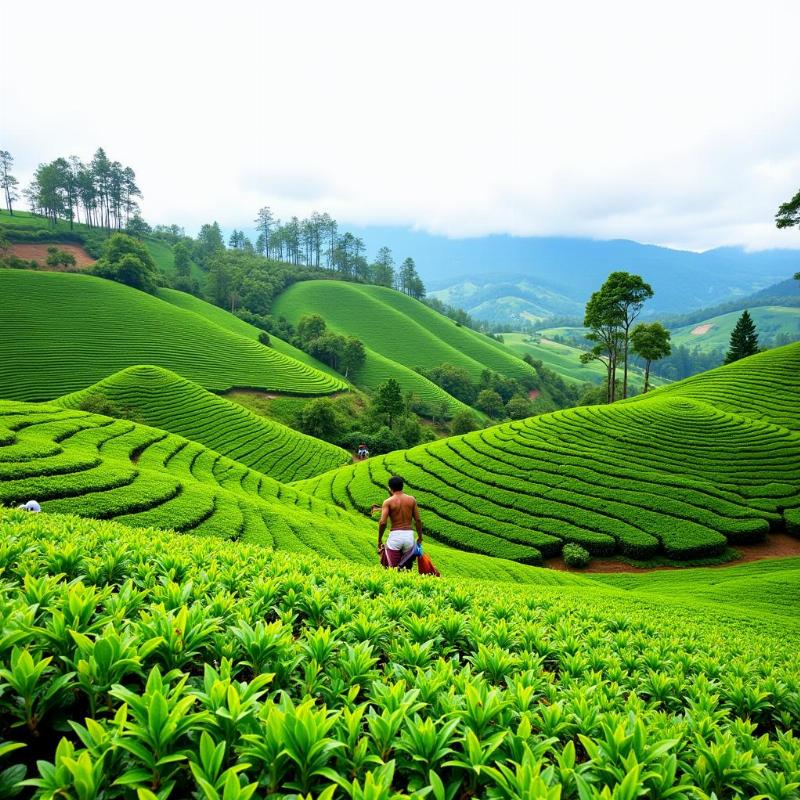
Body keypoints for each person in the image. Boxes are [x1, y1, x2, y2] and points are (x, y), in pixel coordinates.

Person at [377, 475, 423, 569]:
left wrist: (379, 540)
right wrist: (420, 537)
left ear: (390, 488)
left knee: (392, 569)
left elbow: (382, 522)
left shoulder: (388, 502)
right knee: (407, 568)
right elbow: (417, 520)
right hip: (409, 537)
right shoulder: (411, 500)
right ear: (402, 486)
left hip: (395, 536)